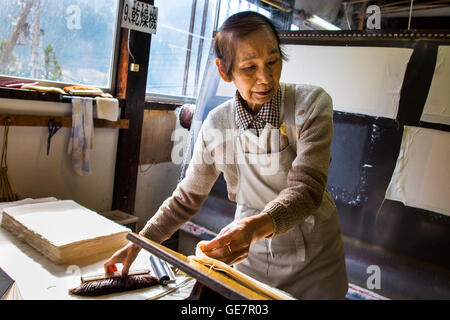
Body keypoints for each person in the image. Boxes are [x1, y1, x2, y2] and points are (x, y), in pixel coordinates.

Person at [104, 11, 348, 300]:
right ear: (224, 71)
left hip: (313, 265)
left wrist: (252, 228)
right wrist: (142, 242)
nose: (266, 77)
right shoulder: (217, 124)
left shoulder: (311, 104)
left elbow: (307, 189)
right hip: (249, 256)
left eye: (272, 61)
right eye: (249, 68)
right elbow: (186, 199)